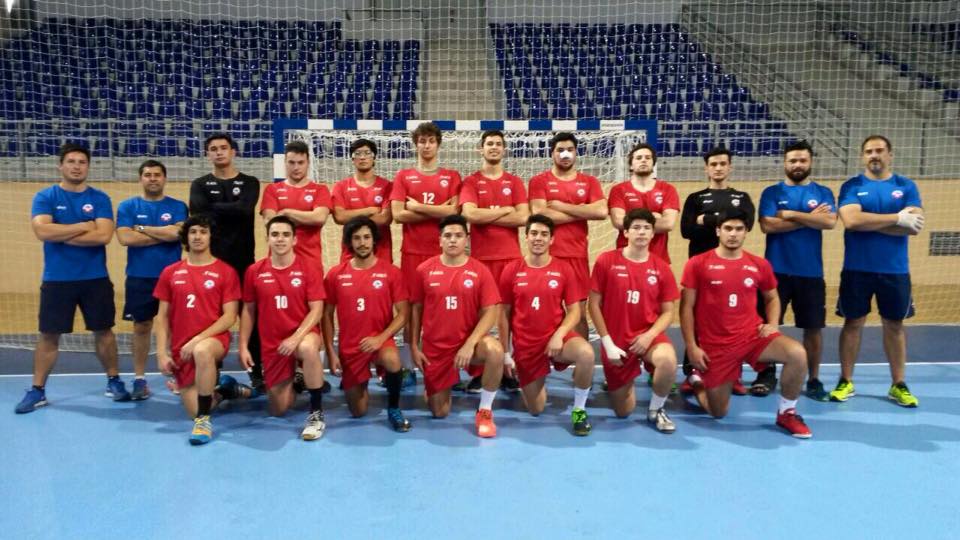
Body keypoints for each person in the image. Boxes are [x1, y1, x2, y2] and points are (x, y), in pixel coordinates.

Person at [679, 209, 812, 438]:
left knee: (798, 354)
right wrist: (692, 346)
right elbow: (686, 308)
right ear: (718, 231)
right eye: (728, 228)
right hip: (716, 345)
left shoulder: (759, 264)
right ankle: (697, 380)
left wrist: (772, 324)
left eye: (739, 229)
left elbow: (772, 297)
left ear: (746, 232)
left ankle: (786, 413)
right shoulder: (698, 263)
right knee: (718, 412)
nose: (733, 234)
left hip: (752, 337)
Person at [17, 143, 129, 413]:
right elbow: (43, 232)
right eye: (71, 161)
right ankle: (38, 390)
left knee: (104, 332)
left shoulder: (100, 198)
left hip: (95, 278)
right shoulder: (45, 197)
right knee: (49, 335)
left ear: (88, 167)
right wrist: (82, 226)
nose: (76, 166)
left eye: (82, 162)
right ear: (61, 165)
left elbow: (102, 236)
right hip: (57, 279)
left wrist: (61, 232)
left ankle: (113, 381)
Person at [831, 135, 924, 407]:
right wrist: (896, 218)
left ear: (890, 154)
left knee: (895, 325)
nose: (875, 155)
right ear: (862, 156)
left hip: (894, 270)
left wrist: (868, 221)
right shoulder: (852, 186)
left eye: (880, 150)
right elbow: (850, 220)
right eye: (869, 151)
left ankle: (898, 384)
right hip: (856, 269)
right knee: (852, 323)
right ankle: (846, 381)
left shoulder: (906, 186)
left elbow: (915, 225)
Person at [153, 214, 253, 445]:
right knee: (191, 408)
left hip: (213, 340)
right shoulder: (170, 272)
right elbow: (162, 317)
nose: (198, 236)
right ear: (186, 237)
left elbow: (229, 317)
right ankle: (224, 390)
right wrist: (161, 353)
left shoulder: (225, 272)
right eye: (193, 232)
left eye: (203, 231)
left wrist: (197, 340)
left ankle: (203, 421)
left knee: (202, 352)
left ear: (210, 237)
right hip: (181, 346)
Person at [409, 215, 505, 437]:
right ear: (440, 240)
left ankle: (485, 411)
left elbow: (492, 311)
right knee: (439, 412)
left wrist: (470, 343)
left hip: (469, 346)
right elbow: (415, 310)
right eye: (448, 236)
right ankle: (440, 385)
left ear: (467, 239)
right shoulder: (424, 270)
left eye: (459, 235)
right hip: (437, 348)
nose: (453, 240)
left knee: (495, 350)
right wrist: (414, 345)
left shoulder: (480, 270)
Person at [498, 214, 594, 435]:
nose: (538, 238)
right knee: (536, 409)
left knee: (586, 354)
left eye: (543, 234)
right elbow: (503, 314)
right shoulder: (512, 270)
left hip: (557, 340)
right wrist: (506, 353)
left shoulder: (564, 269)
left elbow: (575, 311)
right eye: (534, 233)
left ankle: (579, 410)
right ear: (526, 237)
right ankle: (533, 377)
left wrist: (559, 333)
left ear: (552, 239)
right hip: (526, 344)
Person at [758, 141, 837, 401]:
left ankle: (813, 379)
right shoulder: (771, 192)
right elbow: (768, 225)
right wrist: (809, 218)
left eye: (802, 160)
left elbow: (828, 221)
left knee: (813, 329)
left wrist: (790, 213)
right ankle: (766, 374)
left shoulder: (823, 192)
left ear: (810, 162)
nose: (797, 165)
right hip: (775, 273)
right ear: (785, 163)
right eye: (792, 160)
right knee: (769, 326)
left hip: (811, 273)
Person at [588, 209, 679, 433]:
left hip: (648, 336)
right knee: (624, 411)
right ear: (626, 232)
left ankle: (656, 409)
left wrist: (649, 336)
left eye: (647, 228)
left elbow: (668, 312)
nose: (641, 232)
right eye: (636, 227)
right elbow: (593, 305)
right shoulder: (606, 261)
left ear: (653, 234)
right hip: (617, 342)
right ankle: (622, 384)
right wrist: (607, 344)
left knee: (668, 361)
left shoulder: (661, 268)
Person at [239, 216, 328, 440]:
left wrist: (295, 338)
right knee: (279, 409)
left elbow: (316, 310)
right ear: (267, 239)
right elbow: (248, 311)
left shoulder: (309, 268)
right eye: (275, 234)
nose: (280, 239)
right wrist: (242, 346)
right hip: (273, 344)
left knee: (308, 349)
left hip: (302, 335)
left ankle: (316, 414)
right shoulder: (254, 271)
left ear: (294, 240)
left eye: (286, 235)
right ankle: (298, 381)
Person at [679, 146, 757, 395]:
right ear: (706, 168)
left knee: (730, 321)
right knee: (697, 317)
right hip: (701, 268)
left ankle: (733, 375)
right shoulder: (695, 198)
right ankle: (692, 371)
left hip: (733, 268)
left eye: (723, 164)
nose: (718, 168)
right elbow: (686, 230)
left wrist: (706, 219)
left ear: (730, 167)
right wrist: (717, 220)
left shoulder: (742, 197)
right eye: (714, 164)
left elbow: (748, 223)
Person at [322, 216, 412, 432]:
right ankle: (356, 383)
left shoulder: (391, 272)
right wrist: (331, 353)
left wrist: (381, 338)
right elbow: (326, 315)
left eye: (366, 237)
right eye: (356, 238)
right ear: (349, 242)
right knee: (358, 411)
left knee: (392, 360)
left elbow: (404, 313)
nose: (362, 242)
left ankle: (393, 407)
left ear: (374, 240)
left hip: (380, 342)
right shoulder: (335, 274)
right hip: (350, 347)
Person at [190, 132, 263, 389]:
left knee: (250, 317)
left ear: (233, 152)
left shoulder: (251, 182)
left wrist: (214, 207)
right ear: (207, 154)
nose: (219, 152)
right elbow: (198, 212)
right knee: (210, 318)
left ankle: (257, 372)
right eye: (213, 149)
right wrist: (230, 207)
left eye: (223, 148)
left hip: (244, 262)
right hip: (212, 265)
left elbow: (245, 210)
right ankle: (212, 372)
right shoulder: (199, 184)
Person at [459, 129, 529, 393]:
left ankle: (509, 370)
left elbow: (522, 218)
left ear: (504, 149)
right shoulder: (470, 182)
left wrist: (487, 213)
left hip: (511, 258)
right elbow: (471, 216)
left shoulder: (515, 182)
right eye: (489, 143)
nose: (494, 147)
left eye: (498, 144)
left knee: (508, 318)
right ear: (481, 149)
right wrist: (505, 210)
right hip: (480, 260)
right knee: (481, 316)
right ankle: (480, 371)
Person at [114, 159, 188, 401]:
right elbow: (125, 238)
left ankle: (179, 376)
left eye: (157, 174)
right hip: (139, 277)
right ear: (141, 178)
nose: (153, 178)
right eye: (148, 174)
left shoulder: (178, 206)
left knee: (177, 328)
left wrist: (143, 228)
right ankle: (139, 379)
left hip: (174, 277)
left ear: (164, 178)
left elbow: (178, 233)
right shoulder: (127, 206)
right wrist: (163, 233)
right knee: (141, 326)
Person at [390, 122, 462, 362]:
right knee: (412, 308)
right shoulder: (403, 176)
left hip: (443, 254)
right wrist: (439, 210)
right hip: (412, 252)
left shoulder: (451, 176)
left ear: (438, 144)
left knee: (444, 308)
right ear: (416, 144)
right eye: (422, 141)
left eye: (431, 140)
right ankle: (410, 365)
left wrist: (418, 206)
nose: (427, 145)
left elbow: (454, 214)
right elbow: (398, 215)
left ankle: (445, 362)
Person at [529, 132, 608, 338]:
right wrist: (582, 210)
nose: (565, 155)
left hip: (577, 257)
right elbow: (541, 215)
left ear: (576, 153)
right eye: (560, 150)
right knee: (545, 312)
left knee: (579, 314)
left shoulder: (589, 181)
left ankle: (581, 355)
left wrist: (562, 207)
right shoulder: (539, 181)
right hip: (548, 257)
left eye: (570, 150)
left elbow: (600, 211)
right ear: (552, 153)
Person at [260, 140, 332, 272]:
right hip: (278, 263)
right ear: (285, 163)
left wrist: (286, 213)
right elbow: (270, 221)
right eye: (291, 163)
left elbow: (319, 218)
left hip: (310, 262)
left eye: (300, 162)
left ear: (308, 163)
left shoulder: (320, 190)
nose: (296, 167)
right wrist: (306, 218)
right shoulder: (272, 189)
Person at [608, 143, 680, 263]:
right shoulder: (618, 190)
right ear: (631, 165)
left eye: (648, 158)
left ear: (653, 163)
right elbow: (618, 222)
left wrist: (631, 221)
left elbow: (668, 224)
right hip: (625, 258)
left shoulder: (668, 189)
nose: (644, 160)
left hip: (658, 258)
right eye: (639, 158)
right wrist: (654, 216)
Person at [331, 138, 393, 263]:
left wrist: (352, 215)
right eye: (358, 154)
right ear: (352, 159)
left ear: (374, 158)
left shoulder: (388, 186)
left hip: (381, 252)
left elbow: (385, 219)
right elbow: (339, 217)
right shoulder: (341, 186)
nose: (363, 157)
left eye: (367, 153)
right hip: (350, 253)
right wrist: (370, 210)